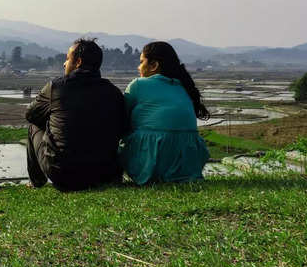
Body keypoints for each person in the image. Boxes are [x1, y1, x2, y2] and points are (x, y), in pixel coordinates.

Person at [25, 38, 127, 190]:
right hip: (106, 174)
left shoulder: (56, 87)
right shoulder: (113, 91)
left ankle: (37, 182)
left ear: (78, 62)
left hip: (65, 176)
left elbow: (31, 114)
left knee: (34, 126)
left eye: (67, 59)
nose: (64, 64)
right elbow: (123, 128)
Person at [119, 41, 210, 185]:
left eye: (141, 62)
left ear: (154, 66)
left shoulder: (139, 85)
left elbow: (121, 119)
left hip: (152, 166)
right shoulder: (183, 87)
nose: (138, 67)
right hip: (188, 167)